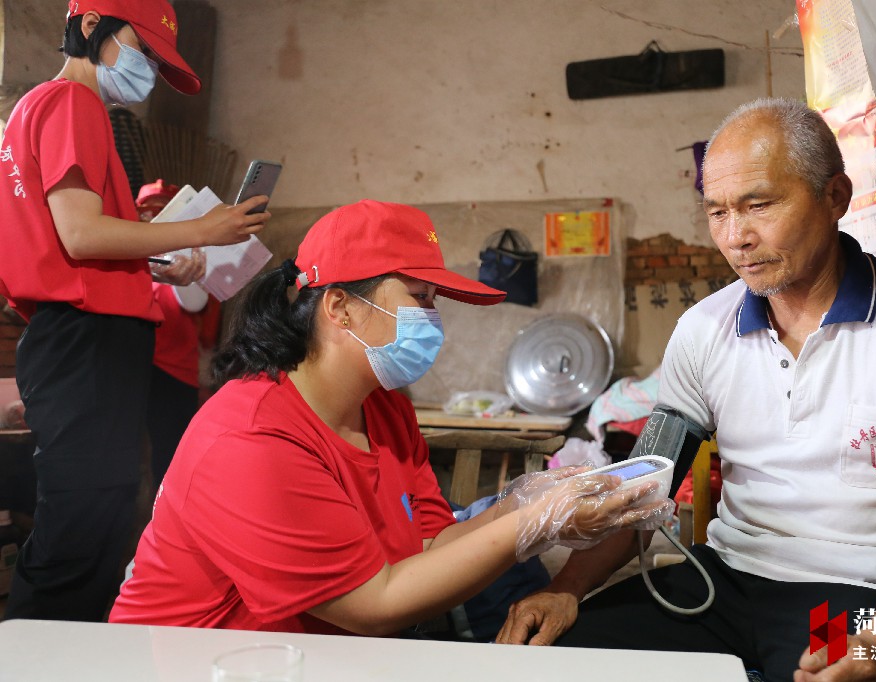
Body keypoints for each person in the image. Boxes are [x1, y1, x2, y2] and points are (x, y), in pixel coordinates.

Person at [496, 98, 876, 682]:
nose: (735, 237)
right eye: (717, 212)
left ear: (835, 197)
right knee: (563, 662)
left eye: (758, 205)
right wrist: (566, 589)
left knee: (855, 666)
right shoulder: (703, 330)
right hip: (727, 580)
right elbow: (644, 483)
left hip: (864, 589)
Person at [108, 200, 674, 634]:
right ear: (340, 306)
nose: (433, 319)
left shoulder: (385, 409)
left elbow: (428, 547)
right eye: (419, 297)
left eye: (435, 301)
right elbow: (372, 605)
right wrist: (530, 524)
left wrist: (528, 503)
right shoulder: (253, 436)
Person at [0, 0, 269, 622]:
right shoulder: (74, 103)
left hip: (75, 337)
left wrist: (153, 264)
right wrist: (201, 228)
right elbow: (82, 236)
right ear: (91, 25)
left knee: (93, 520)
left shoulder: (36, 107)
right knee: (80, 532)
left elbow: (66, 245)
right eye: (142, 48)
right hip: (85, 342)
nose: (146, 68)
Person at [136, 179, 213, 486]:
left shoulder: (184, 260)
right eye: (146, 214)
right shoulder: (128, 258)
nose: (152, 220)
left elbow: (196, 303)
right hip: (134, 366)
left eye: (160, 212)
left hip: (175, 371)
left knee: (170, 457)